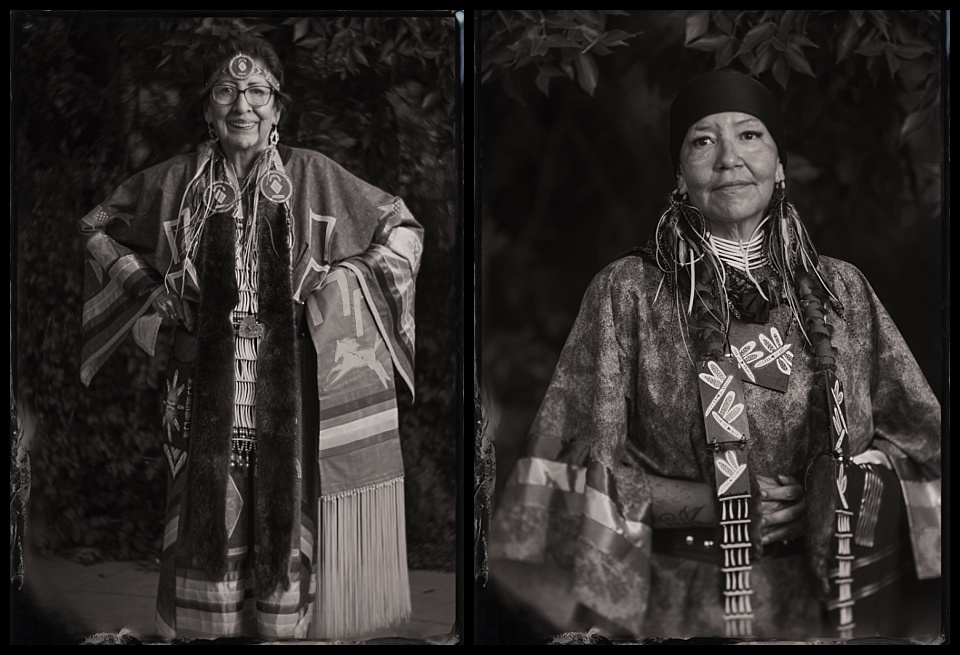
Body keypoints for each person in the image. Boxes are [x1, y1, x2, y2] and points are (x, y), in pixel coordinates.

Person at [488, 69, 940, 640]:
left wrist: (839, 490)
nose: (729, 157)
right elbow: (573, 471)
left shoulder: (840, 292)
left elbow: (926, 448)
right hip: (676, 607)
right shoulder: (628, 293)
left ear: (780, 167)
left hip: (826, 613)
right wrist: (717, 505)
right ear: (680, 176)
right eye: (703, 140)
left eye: (750, 136)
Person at [78, 33, 423, 641]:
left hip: (287, 404)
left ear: (278, 108)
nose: (243, 104)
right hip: (199, 402)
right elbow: (97, 230)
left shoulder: (313, 177)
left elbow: (402, 230)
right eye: (226, 91)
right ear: (208, 109)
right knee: (205, 557)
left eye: (257, 90)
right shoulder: (176, 182)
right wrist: (152, 303)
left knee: (282, 563)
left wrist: (338, 287)